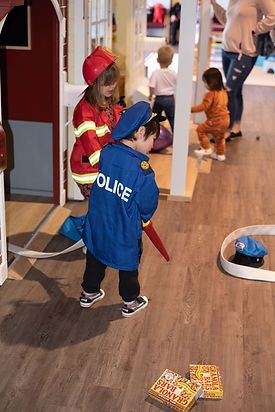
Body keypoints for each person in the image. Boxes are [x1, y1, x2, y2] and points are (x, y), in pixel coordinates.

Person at [79, 101, 165, 317]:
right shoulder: (142, 169)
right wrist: (144, 217)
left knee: (95, 256)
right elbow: (147, 203)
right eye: (153, 139)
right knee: (128, 265)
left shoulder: (107, 152)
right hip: (124, 229)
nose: (153, 145)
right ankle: (130, 301)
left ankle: (88, 293)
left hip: (98, 222)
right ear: (140, 132)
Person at [211, 0, 275, 141]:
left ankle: (226, 131)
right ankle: (236, 128)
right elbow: (227, 20)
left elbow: (273, 16)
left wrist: (255, 30)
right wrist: (214, 4)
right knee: (235, 91)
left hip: (244, 52)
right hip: (227, 50)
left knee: (229, 91)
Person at [70, 46, 123, 199]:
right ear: (94, 83)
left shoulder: (106, 102)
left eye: (113, 82)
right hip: (90, 172)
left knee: (107, 212)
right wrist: (117, 165)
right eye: (107, 83)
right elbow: (93, 150)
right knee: (104, 210)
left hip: (104, 167)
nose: (112, 86)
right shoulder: (84, 112)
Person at [191, 67, 230, 162]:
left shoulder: (210, 95)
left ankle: (206, 148)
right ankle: (220, 154)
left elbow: (203, 107)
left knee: (200, 129)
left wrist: (190, 109)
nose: (204, 85)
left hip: (215, 120)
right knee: (219, 137)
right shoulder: (223, 92)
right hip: (226, 120)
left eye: (205, 82)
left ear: (212, 82)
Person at [149, 46, 177, 132]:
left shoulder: (155, 73)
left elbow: (152, 87)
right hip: (170, 99)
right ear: (171, 62)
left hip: (159, 99)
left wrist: (150, 95)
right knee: (172, 119)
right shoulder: (173, 73)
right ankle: (175, 135)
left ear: (157, 60)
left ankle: (155, 135)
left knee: (155, 119)